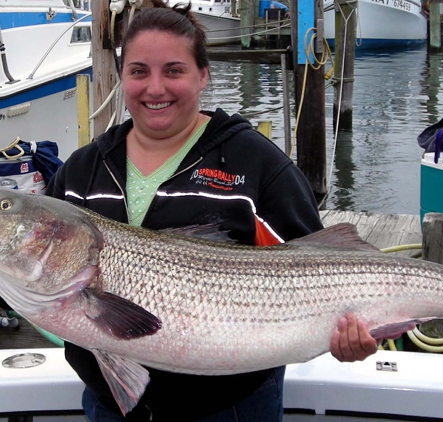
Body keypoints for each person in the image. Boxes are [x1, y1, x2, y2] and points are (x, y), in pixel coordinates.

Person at [46, 1, 377, 420]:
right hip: (110, 406)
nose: (155, 88)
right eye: (139, 71)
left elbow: (322, 262)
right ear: (121, 77)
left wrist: (350, 333)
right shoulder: (82, 170)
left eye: (174, 70)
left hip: (230, 408)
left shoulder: (257, 165)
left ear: (203, 74)